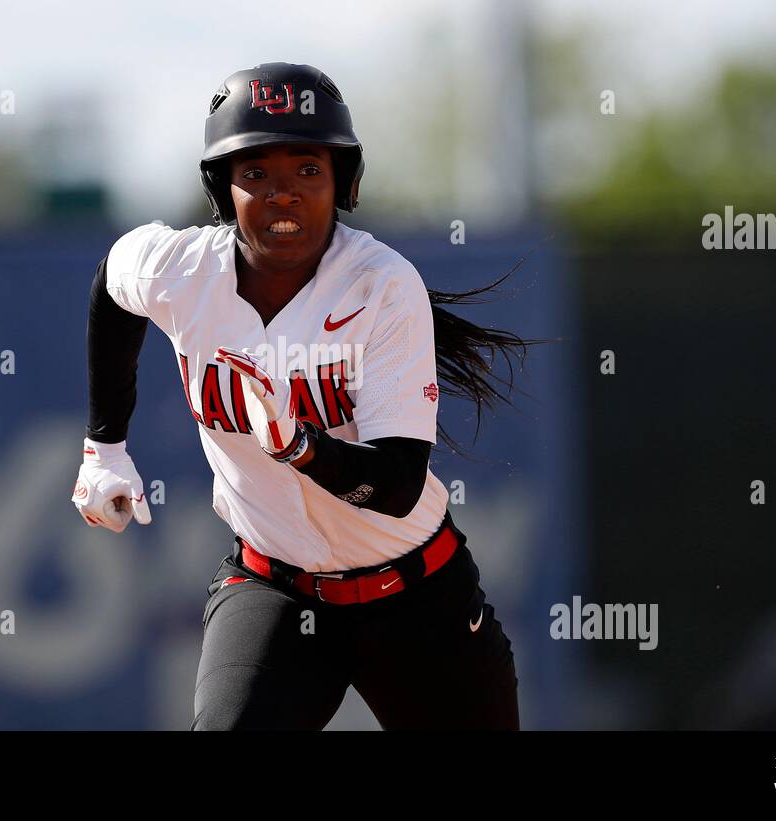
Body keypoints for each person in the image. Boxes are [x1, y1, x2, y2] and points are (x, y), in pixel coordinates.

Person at [73, 62, 539, 730]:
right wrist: (104, 446)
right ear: (221, 189)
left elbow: (399, 483)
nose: (282, 193)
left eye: (307, 170)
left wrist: (300, 446)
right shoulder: (183, 271)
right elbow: (112, 286)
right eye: (255, 172)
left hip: (414, 593)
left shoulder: (380, 285)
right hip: (276, 589)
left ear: (342, 182)